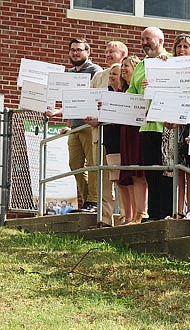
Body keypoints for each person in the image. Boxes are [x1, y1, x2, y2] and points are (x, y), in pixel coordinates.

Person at [126, 26, 171, 221]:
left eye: (148, 39)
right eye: (142, 39)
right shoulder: (140, 66)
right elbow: (132, 94)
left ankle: (167, 213)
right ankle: (153, 214)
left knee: (167, 173)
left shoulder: (171, 61)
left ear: (160, 41)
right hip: (146, 127)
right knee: (152, 173)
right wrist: (110, 104)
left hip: (166, 126)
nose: (145, 43)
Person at [59, 37, 103, 212]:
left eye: (79, 50)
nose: (75, 53)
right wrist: (61, 115)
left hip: (89, 126)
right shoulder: (69, 74)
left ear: (88, 52)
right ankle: (87, 201)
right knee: (75, 165)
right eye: (73, 50)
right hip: (74, 127)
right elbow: (70, 102)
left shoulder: (95, 71)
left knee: (93, 164)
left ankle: (94, 201)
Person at [90, 41, 128, 226]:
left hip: (120, 138)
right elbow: (89, 102)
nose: (107, 55)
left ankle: (123, 217)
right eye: (106, 52)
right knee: (104, 180)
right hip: (101, 136)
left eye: (112, 52)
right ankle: (105, 219)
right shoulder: (99, 78)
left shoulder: (128, 80)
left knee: (121, 179)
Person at [166, 34, 190, 221]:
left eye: (186, 46)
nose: (182, 50)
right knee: (175, 168)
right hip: (172, 124)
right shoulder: (169, 68)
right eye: (179, 46)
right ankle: (177, 210)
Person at [119, 55, 148, 224]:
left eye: (126, 66)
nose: (123, 69)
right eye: (122, 65)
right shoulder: (123, 91)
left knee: (139, 171)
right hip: (126, 132)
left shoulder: (141, 88)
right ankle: (132, 214)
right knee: (129, 174)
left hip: (138, 131)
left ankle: (141, 211)